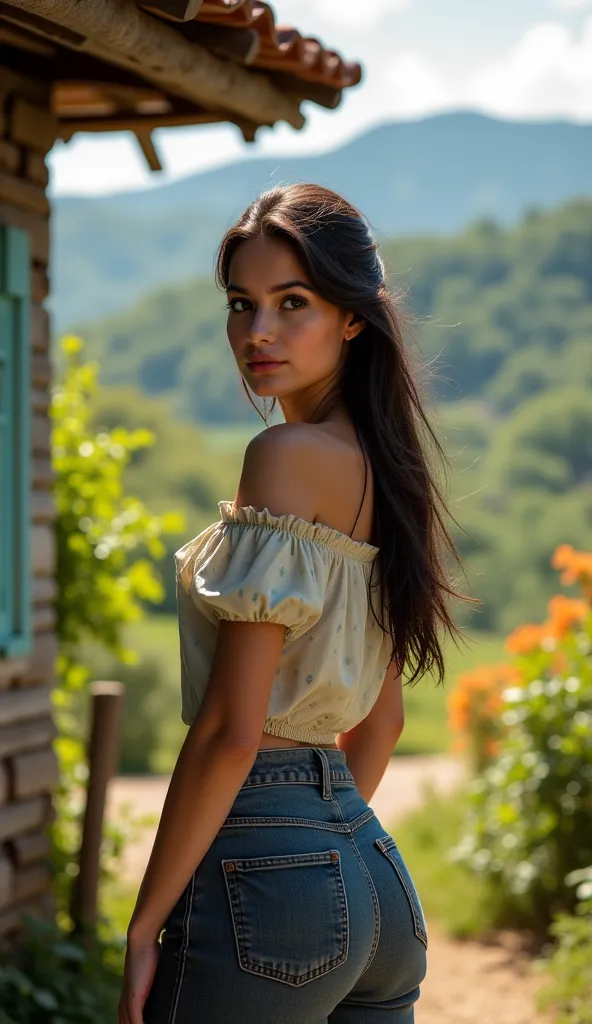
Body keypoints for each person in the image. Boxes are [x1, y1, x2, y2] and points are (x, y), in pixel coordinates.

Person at [118, 183, 464, 1024]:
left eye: (292, 302)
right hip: (374, 876)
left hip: (268, 870)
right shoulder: (393, 476)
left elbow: (233, 734)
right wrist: (329, 850)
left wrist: (143, 924)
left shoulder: (284, 455)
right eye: (242, 304)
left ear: (353, 316)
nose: (258, 332)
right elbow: (380, 727)